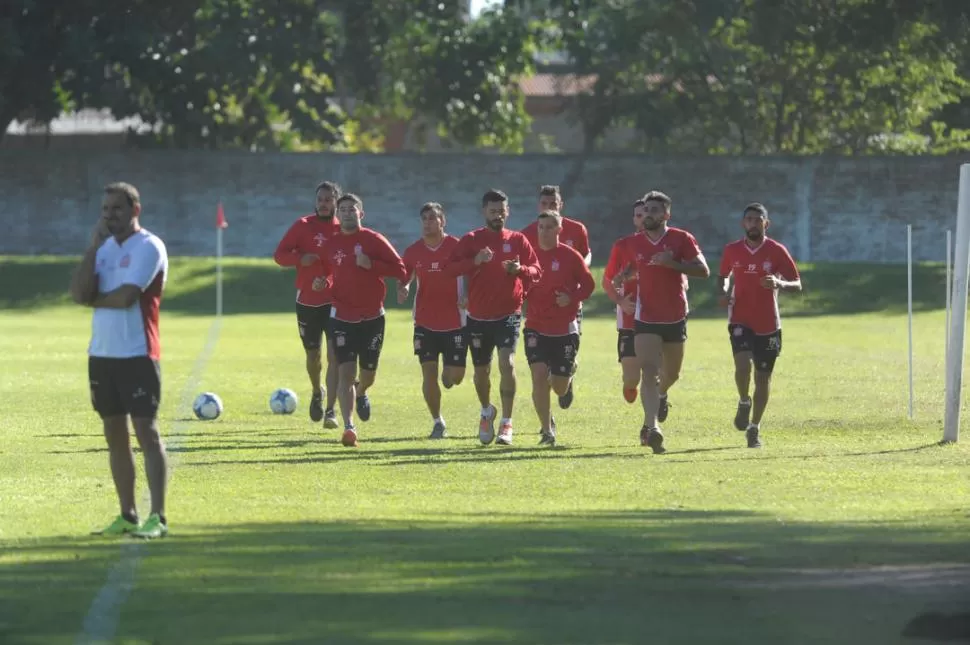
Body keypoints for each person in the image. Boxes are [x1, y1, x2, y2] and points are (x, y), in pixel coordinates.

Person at [69, 182, 170, 539]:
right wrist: (92, 247)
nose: (110, 215)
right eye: (105, 210)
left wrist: (91, 300)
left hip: (138, 353)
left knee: (147, 432)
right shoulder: (103, 249)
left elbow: (128, 297)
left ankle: (157, 516)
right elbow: (78, 291)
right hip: (102, 354)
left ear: (135, 211)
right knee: (115, 435)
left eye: (117, 209)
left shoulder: (149, 246)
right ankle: (127, 514)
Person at [445, 189, 541, 446]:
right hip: (477, 317)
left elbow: (536, 270)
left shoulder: (518, 240)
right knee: (480, 373)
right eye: (493, 211)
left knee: (507, 363)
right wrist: (475, 260)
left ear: (508, 211)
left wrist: (519, 269)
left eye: (502, 211)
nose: (498, 215)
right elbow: (450, 269)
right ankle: (487, 410)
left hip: (509, 314)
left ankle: (507, 423)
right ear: (484, 212)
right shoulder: (471, 240)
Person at [318, 193, 407, 447]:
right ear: (338, 214)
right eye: (342, 209)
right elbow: (327, 272)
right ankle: (349, 427)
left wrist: (372, 265)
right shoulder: (331, 244)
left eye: (352, 209)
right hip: (342, 317)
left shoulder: (374, 240)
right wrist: (322, 281)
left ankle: (362, 392)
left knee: (367, 376)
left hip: (372, 318)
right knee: (345, 371)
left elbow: (400, 269)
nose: (347, 213)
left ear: (361, 214)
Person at [626, 190, 710, 453]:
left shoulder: (681, 239)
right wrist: (622, 278)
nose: (648, 214)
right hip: (646, 316)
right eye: (646, 210)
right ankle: (652, 428)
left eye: (654, 210)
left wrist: (672, 263)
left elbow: (703, 271)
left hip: (674, 316)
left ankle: (662, 395)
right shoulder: (634, 243)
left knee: (671, 373)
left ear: (666, 214)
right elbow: (628, 268)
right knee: (648, 371)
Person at [717, 203, 802, 448]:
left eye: (758, 220)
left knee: (763, 378)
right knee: (742, 366)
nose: (753, 224)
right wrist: (723, 292)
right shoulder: (732, 250)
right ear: (743, 223)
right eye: (749, 220)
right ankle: (744, 400)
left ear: (767, 223)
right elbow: (723, 277)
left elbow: (796, 283)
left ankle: (754, 428)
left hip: (768, 323)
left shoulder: (776, 251)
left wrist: (778, 282)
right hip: (740, 319)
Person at [273, 181, 342, 429]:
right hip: (307, 302)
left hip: (336, 303)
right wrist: (301, 258)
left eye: (328, 199)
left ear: (336, 202)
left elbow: (347, 264)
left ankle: (332, 410)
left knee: (335, 356)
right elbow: (279, 255)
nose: (323, 204)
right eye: (320, 199)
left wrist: (330, 280)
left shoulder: (343, 229)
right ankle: (317, 391)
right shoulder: (302, 226)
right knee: (314, 356)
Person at [523, 210, 595, 446]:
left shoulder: (570, 256)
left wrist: (572, 298)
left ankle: (569, 372)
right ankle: (546, 430)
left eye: (549, 227)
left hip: (564, 328)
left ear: (559, 230)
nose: (544, 231)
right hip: (535, 325)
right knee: (539, 377)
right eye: (541, 227)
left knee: (560, 387)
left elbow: (588, 285)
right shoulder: (529, 256)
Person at [397, 202, 467, 439]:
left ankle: (448, 375)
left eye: (432, 218)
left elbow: (473, 271)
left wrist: (468, 294)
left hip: (455, 321)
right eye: (424, 218)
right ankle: (438, 421)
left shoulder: (456, 247)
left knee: (455, 377)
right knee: (428, 372)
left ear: (442, 221)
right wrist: (404, 287)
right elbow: (405, 276)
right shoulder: (413, 251)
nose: (428, 223)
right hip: (425, 321)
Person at [521, 185, 591, 407]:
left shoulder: (576, 229)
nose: (549, 207)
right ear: (538, 205)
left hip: (569, 300)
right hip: (539, 307)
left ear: (561, 205)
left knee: (567, 346)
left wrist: (580, 270)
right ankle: (554, 377)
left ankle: (565, 372)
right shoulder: (528, 232)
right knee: (541, 366)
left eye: (553, 204)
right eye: (544, 203)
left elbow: (586, 255)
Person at [602, 198, 647, 404]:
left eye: (648, 213)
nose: (644, 218)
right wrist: (620, 300)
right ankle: (631, 384)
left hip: (660, 317)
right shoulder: (623, 245)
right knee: (631, 378)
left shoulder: (668, 244)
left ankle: (656, 404)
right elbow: (607, 281)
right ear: (634, 219)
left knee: (654, 373)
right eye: (639, 215)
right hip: (630, 318)